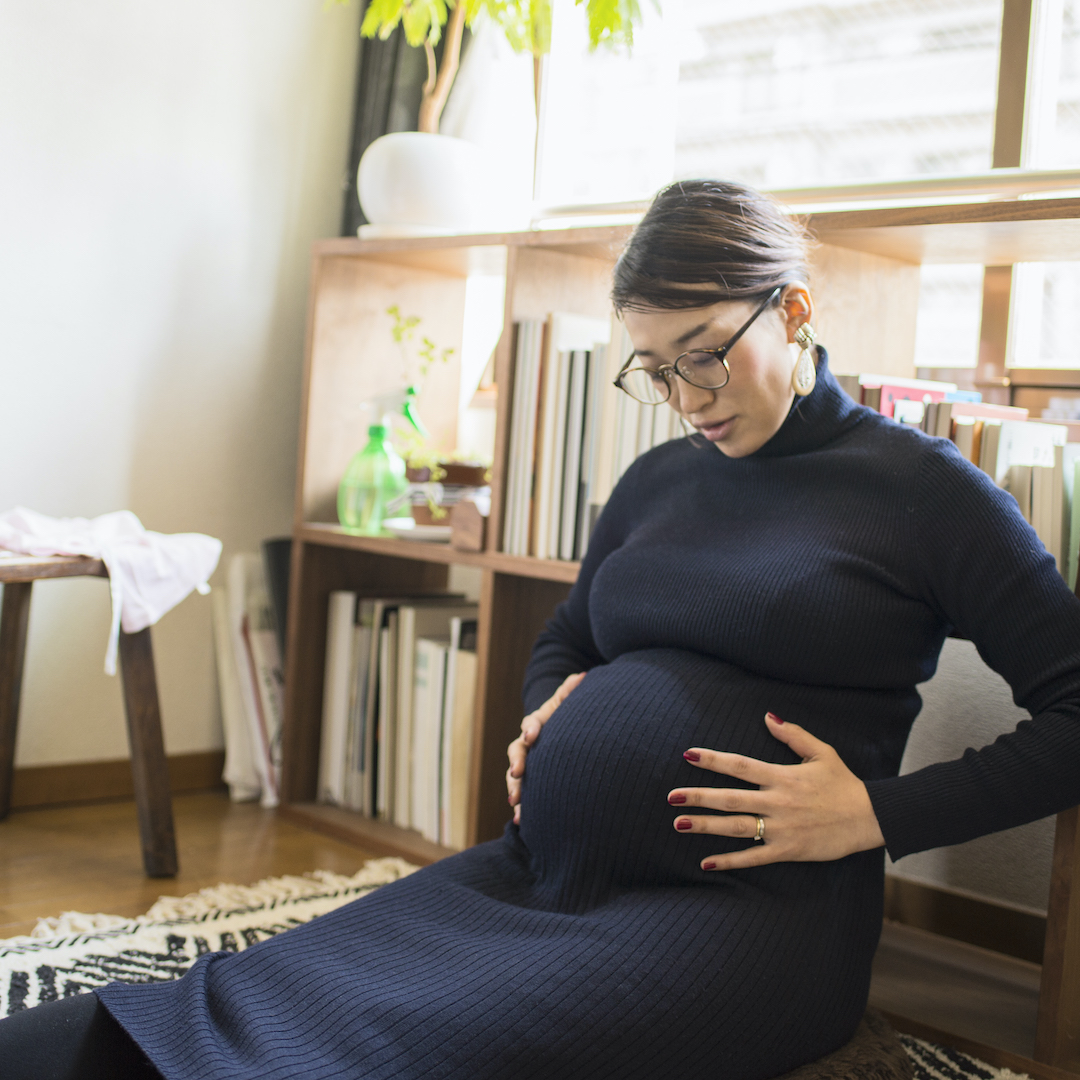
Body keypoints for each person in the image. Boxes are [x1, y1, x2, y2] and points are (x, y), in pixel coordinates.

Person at [5, 178, 1080, 1080]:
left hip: (753, 915)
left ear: (792, 313)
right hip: (543, 871)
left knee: (380, 1050)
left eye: (702, 353)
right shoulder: (662, 478)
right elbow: (572, 635)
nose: (682, 397)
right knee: (245, 997)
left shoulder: (922, 492)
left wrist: (874, 816)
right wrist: (547, 716)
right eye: (652, 368)